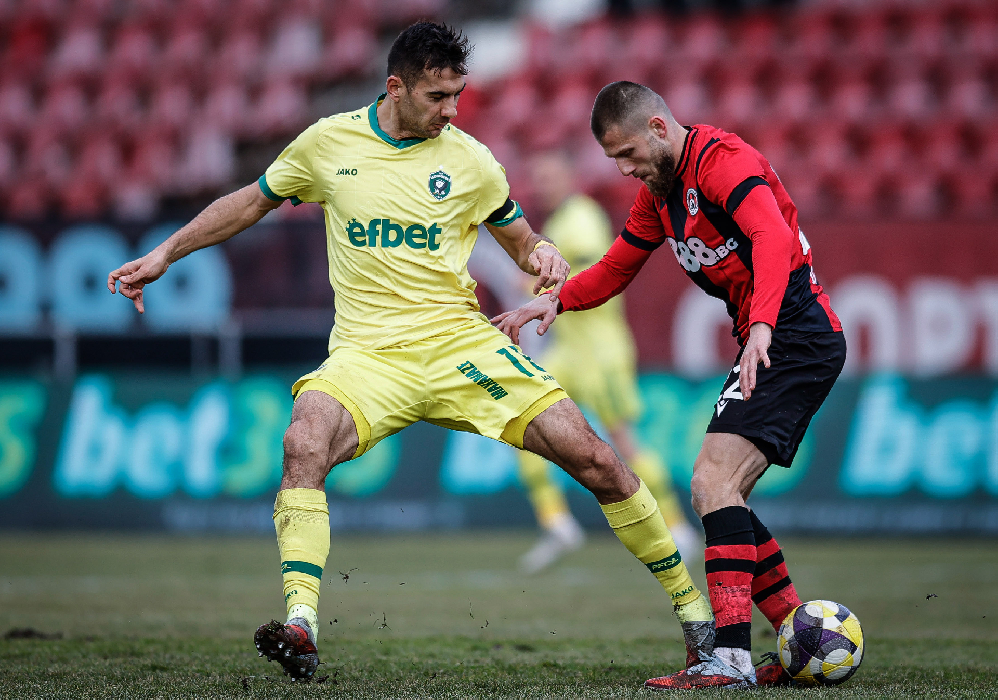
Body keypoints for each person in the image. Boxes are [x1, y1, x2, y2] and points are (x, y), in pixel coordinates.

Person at [107, 30, 715, 682]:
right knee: (303, 441)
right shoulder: (327, 144)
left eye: (457, 95)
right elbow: (252, 201)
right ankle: (301, 624)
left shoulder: (472, 161)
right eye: (437, 96)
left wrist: (540, 253)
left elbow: (519, 240)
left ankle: (696, 618)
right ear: (395, 87)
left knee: (598, 460)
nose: (451, 109)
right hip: (367, 357)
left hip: (462, 347)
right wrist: (165, 252)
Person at [494, 80, 846, 690]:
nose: (624, 169)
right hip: (772, 337)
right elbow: (616, 267)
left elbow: (772, 237)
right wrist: (555, 301)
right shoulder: (659, 195)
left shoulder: (722, 162)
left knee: (713, 484)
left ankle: (730, 660)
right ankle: (800, 636)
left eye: (628, 153)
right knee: (722, 494)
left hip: (794, 335)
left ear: (659, 128)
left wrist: (762, 324)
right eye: (614, 160)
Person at [516, 151, 700, 574]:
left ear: (570, 177)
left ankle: (679, 530)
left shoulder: (582, 216)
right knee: (521, 414)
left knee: (625, 442)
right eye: (537, 178)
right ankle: (556, 523)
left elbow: (588, 270)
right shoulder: (559, 221)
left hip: (600, 352)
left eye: (550, 176)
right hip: (568, 349)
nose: (543, 185)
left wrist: (531, 285)